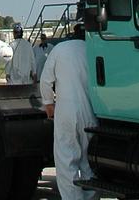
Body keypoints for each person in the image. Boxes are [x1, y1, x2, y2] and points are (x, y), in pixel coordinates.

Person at [38, 25, 99, 200]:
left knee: (66, 160)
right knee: (89, 161)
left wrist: (48, 103)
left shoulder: (60, 49)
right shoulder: (92, 48)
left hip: (66, 110)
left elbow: (45, 80)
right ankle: (91, 197)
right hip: (90, 111)